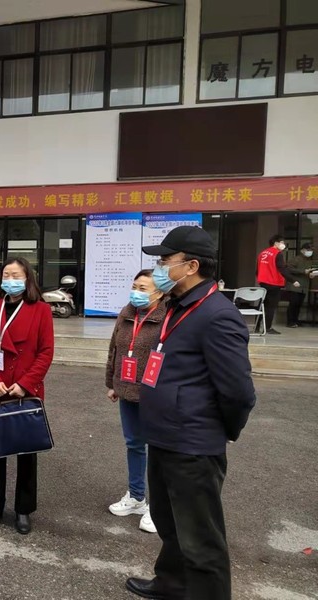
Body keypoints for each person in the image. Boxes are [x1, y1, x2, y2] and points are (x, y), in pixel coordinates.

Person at [125, 226, 256, 600]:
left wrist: (219, 430)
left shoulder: (217, 314)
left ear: (192, 266)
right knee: (169, 523)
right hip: (164, 436)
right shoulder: (176, 305)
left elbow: (238, 392)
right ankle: (171, 584)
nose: (159, 267)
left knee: (201, 540)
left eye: (165, 260)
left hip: (193, 445)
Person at [0, 257, 54, 535]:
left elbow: (46, 352)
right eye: (6, 274)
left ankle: (23, 509)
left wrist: (25, 383)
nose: (10, 279)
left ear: (27, 278)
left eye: (16, 275)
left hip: (24, 389)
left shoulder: (41, 309)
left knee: (26, 451)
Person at [105, 270, 166, 535]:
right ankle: (137, 497)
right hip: (127, 389)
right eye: (134, 286)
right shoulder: (127, 313)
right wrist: (112, 382)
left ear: (159, 292)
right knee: (134, 444)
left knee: (159, 448)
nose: (136, 292)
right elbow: (114, 349)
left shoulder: (167, 317)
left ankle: (159, 506)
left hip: (155, 393)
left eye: (143, 288)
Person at [256, 234, 299, 334]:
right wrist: (293, 280)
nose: (283, 245)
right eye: (282, 242)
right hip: (273, 283)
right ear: (276, 243)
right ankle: (268, 328)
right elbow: (282, 269)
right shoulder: (277, 254)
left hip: (263, 283)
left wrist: (260, 278)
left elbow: (257, 269)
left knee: (261, 305)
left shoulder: (262, 253)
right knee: (271, 307)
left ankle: (257, 327)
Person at [285, 243, 315, 328]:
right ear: (302, 250)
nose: (310, 251)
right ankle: (290, 321)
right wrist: (303, 271)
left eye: (311, 250)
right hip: (295, 285)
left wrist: (310, 274)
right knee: (293, 304)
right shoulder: (296, 259)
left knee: (298, 304)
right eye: (308, 250)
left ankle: (295, 320)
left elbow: (307, 272)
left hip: (304, 286)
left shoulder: (309, 260)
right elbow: (288, 269)